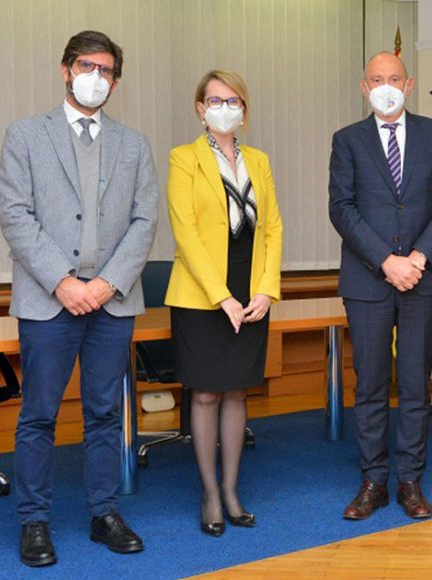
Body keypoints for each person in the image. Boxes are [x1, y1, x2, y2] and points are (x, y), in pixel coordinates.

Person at [0, 30, 158, 567]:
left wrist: (106, 284)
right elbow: (15, 216)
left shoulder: (133, 144)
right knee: (39, 414)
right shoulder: (25, 135)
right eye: (87, 66)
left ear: (116, 81)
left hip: (112, 302)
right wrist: (63, 282)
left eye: (106, 70)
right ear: (65, 69)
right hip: (49, 301)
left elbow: (144, 221)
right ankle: (34, 521)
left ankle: (103, 512)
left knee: (105, 413)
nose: (96, 77)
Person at [329, 52, 432, 521]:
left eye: (393, 78)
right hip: (367, 279)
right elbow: (342, 208)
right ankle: (373, 481)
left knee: (414, 384)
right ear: (364, 87)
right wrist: (387, 262)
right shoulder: (347, 140)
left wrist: (417, 259)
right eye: (376, 79)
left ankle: (410, 481)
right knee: (369, 383)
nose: (385, 86)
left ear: (408, 85)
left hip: (423, 279)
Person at [166, 70, 283, 537]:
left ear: (244, 109)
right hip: (201, 295)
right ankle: (210, 493)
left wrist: (265, 289)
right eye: (215, 100)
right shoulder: (184, 158)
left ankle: (232, 490)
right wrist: (222, 296)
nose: (225, 108)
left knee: (237, 391)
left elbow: (272, 228)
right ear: (200, 108)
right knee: (207, 392)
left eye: (234, 100)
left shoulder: (259, 160)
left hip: (251, 289)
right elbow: (186, 233)